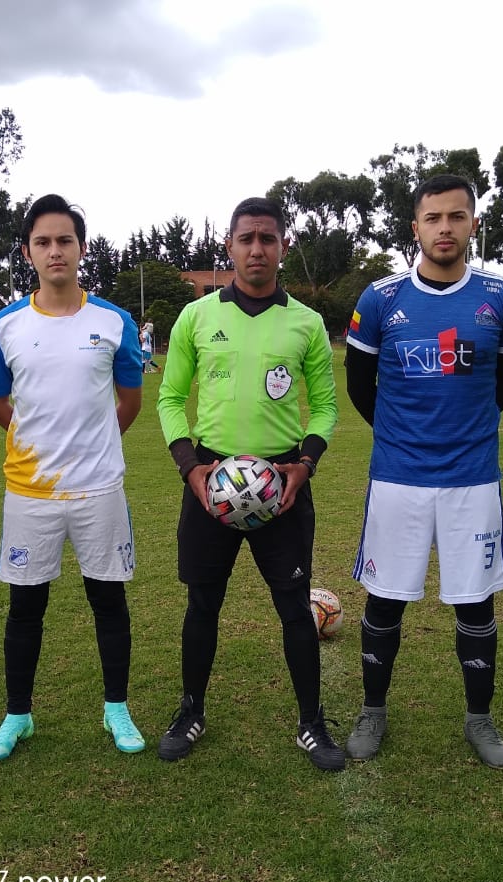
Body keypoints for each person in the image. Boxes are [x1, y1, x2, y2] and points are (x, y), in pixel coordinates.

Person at [343, 173, 503, 769]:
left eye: (456, 217)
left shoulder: (501, 297)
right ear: (415, 228)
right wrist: (404, 435)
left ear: (474, 223)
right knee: (385, 599)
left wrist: (462, 431)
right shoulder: (381, 299)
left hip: (472, 478)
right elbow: (359, 386)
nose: (444, 228)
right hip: (398, 476)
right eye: (433, 218)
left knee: (475, 604)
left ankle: (480, 720)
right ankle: (373, 711)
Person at [156, 197, 343, 771]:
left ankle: (311, 722)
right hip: (212, 483)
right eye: (246, 239)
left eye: (267, 238)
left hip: (281, 484)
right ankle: (191, 710)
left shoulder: (306, 324)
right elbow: (169, 399)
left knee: (293, 606)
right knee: (202, 605)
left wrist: (302, 467)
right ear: (231, 247)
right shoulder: (197, 317)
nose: (256, 249)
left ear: (283, 247)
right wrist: (191, 469)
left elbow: (326, 409)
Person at [0, 194, 146, 762]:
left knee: (108, 602)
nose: (56, 251)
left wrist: (93, 444)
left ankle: (116, 708)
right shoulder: (5, 325)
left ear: (81, 247)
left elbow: (129, 401)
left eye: (65, 240)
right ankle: (17, 716)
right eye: (44, 242)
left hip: (100, 490)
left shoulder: (113, 321)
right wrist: (38, 444)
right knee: (25, 609)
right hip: (30, 492)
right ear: (28, 252)